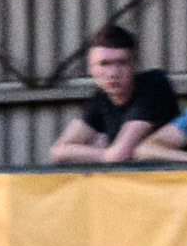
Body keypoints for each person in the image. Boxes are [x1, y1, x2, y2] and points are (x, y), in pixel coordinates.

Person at [48, 25, 179, 164]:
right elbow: (58, 151)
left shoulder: (154, 86)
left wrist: (101, 151)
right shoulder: (101, 98)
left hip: (178, 180)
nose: (113, 73)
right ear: (91, 69)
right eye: (104, 64)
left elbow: (120, 154)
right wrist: (107, 153)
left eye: (122, 63)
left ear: (136, 65)